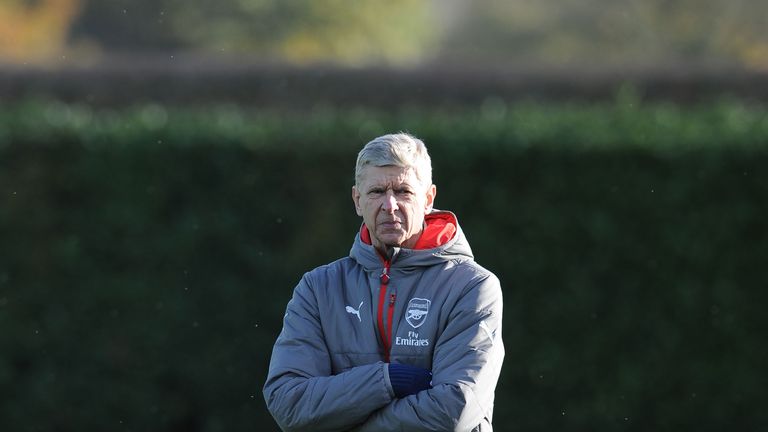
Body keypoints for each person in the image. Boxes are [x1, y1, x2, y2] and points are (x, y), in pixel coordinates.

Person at [263, 133, 504, 431]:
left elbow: (454, 410)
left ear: (428, 199)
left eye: (403, 191)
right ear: (357, 200)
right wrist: (386, 380)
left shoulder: (473, 287)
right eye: (377, 191)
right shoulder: (317, 288)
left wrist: (344, 417)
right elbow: (288, 403)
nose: (390, 205)